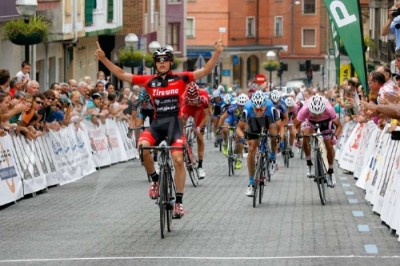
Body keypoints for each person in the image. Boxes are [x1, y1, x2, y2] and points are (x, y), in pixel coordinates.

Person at [95, 40, 224, 219]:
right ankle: (155, 180)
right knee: (143, 147)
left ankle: (178, 201)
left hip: (175, 125)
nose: (161, 63)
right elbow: (122, 74)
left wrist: (216, 53)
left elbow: (204, 71)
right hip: (157, 124)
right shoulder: (149, 81)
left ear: (170, 62)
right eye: (158, 60)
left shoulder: (181, 78)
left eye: (165, 60)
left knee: (178, 159)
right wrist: (104, 60)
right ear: (155, 63)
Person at [236, 90, 280, 196]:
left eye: (261, 109)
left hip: (268, 120)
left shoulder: (270, 107)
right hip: (253, 121)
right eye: (256, 109)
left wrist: (280, 139)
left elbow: (280, 126)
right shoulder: (247, 108)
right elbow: (239, 128)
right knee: (252, 149)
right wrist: (243, 137)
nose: (259, 111)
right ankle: (251, 184)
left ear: (265, 106)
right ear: (253, 106)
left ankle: (272, 159)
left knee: (274, 135)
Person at [293, 95, 343, 188]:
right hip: (310, 122)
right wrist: (297, 136)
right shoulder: (305, 109)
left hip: (326, 122)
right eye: (314, 113)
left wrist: (335, 136)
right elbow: (295, 126)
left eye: (319, 114)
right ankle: (309, 163)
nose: (317, 116)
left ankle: (330, 172)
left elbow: (339, 126)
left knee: (329, 145)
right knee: (306, 135)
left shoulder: (329, 109)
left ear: (323, 109)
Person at [181, 82, 210, 178]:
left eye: (195, 100)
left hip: (199, 112)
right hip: (188, 109)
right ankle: (185, 150)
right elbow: (180, 113)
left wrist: (199, 127)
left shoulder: (204, 96)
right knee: (181, 127)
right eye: (191, 100)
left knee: (200, 138)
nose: (193, 102)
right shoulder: (184, 96)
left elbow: (207, 116)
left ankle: (200, 166)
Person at [217, 93, 249, 169]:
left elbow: (249, 123)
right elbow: (222, 117)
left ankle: (238, 158)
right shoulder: (233, 107)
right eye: (240, 105)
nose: (242, 107)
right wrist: (219, 128)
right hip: (232, 119)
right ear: (237, 104)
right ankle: (225, 143)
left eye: (243, 106)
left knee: (239, 140)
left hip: (242, 122)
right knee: (225, 129)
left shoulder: (249, 109)